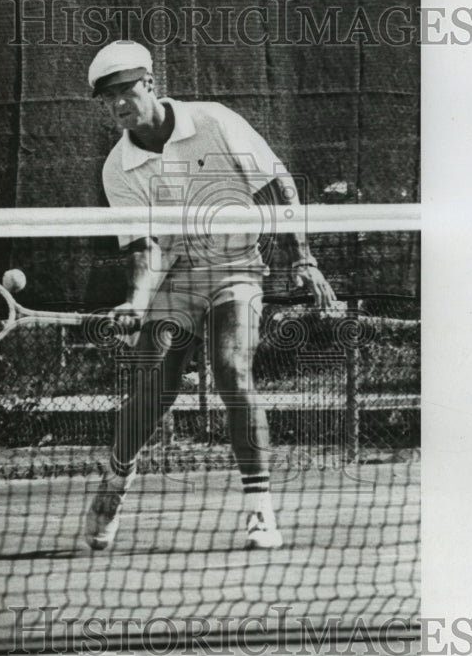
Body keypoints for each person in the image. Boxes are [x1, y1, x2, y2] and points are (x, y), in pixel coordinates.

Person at [84, 40, 336, 551]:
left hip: (237, 268)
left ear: (150, 84)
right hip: (175, 277)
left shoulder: (216, 122)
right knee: (156, 386)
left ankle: (260, 510)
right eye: (107, 97)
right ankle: (116, 480)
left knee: (231, 369)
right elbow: (143, 247)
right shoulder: (118, 168)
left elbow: (277, 187)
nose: (118, 104)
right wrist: (136, 301)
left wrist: (302, 258)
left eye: (125, 90)